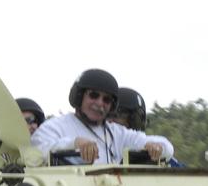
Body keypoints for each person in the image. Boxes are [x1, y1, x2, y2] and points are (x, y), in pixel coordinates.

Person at [32, 69, 175, 164]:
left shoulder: (116, 132)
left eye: (106, 100)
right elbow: (36, 152)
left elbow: (167, 147)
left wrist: (156, 147)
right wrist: (75, 144)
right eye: (94, 95)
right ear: (79, 96)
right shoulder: (55, 127)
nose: (100, 103)